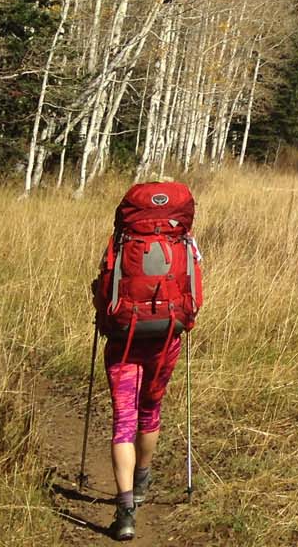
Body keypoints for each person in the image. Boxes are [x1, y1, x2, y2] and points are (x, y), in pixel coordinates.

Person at [91, 180, 203, 541]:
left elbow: (104, 286)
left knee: (123, 420)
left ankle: (125, 513)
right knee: (150, 410)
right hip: (166, 335)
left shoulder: (122, 241)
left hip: (124, 338)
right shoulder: (182, 241)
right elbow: (195, 293)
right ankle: (142, 480)